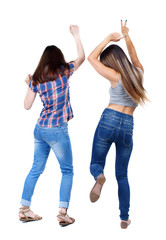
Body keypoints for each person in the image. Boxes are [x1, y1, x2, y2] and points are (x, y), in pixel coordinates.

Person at [19, 25, 85, 226]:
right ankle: (63, 213)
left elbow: (26, 106)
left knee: (36, 168)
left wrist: (30, 84)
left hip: (40, 129)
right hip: (57, 130)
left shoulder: (37, 79)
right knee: (67, 171)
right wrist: (76, 35)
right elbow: (81, 57)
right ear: (59, 59)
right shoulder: (65, 71)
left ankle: (24, 209)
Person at [88, 20, 148, 229]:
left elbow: (91, 58)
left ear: (112, 63)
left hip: (109, 119)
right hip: (128, 125)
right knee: (122, 175)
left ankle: (99, 177)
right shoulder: (138, 74)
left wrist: (109, 38)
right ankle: (124, 217)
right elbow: (134, 57)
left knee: (96, 164)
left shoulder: (114, 75)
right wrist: (127, 36)